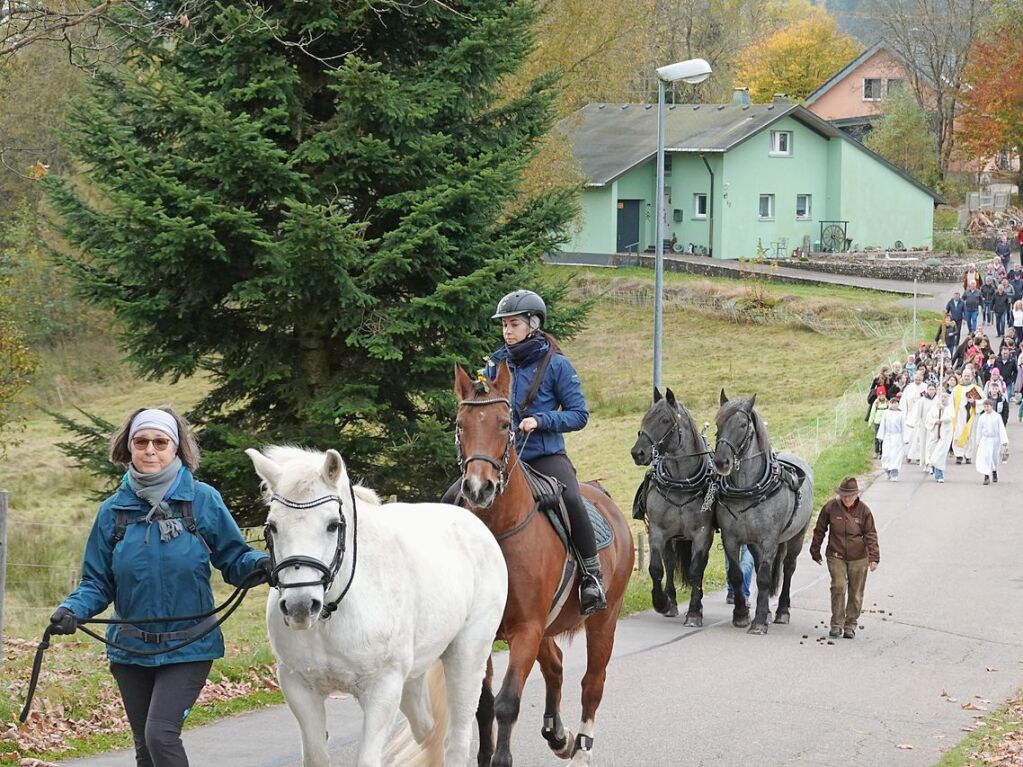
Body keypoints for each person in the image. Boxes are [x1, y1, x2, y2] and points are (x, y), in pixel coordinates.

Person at [49, 407, 272, 767]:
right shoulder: (113, 512)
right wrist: (71, 609)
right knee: (145, 749)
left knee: (160, 736)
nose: (150, 449)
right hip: (130, 649)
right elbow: (96, 582)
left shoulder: (202, 500)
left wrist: (262, 565)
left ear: (176, 448)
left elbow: (234, 559)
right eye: (141, 441)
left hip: (189, 645)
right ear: (130, 447)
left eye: (160, 441)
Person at [487, 289, 605, 613]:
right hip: (504, 461)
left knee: (571, 499)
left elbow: (579, 415)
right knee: (457, 496)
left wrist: (541, 420)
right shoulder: (495, 364)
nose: (507, 331)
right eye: (504, 326)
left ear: (533, 324)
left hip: (545, 456)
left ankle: (591, 577)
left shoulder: (558, 366)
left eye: (513, 324)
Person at [809, 477, 880, 640]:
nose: (846, 498)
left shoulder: (864, 511)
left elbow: (870, 534)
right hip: (836, 554)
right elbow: (819, 530)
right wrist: (815, 550)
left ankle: (850, 624)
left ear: (856, 495)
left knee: (855, 592)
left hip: (859, 557)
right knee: (838, 586)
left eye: (849, 496)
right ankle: (836, 623)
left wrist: (874, 557)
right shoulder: (830, 507)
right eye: (843, 495)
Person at [951, 367, 984, 464]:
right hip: (959, 415)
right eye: (965, 376)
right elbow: (951, 402)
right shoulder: (956, 389)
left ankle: (968, 455)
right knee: (958, 433)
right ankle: (959, 455)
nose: (966, 377)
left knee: (970, 435)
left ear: (972, 377)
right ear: (961, 376)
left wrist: (974, 402)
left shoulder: (976, 388)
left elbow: (983, 401)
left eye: (968, 376)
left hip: (971, 415)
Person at [974, 398, 1009, 485]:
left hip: (995, 439)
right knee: (986, 457)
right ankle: (986, 476)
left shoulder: (997, 416)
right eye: (985, 407)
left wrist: (1004, 441)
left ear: (991, 406)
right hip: (985, 439)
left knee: (994, 457)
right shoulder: (982, 417)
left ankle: (994, 472)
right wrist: (978, 441)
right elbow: (979, 429)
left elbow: (1001, 428)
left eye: (988, 406)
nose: (986, 408)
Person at [926, 391, 955, 483]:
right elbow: (928, 419)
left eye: (945, 397)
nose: (943, 399)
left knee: (940, 454)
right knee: (932, 452)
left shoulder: (950, 408)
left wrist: (943, 412)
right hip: (934, 433)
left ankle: (939, 474)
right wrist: (935, 421)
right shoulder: (934, 408)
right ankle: (933, 466)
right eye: (942, 397)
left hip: (945, 434)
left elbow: (950, 417)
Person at [878, 394, 905, 480]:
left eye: (896, 403)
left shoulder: (901, 414)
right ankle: (887, 470)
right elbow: (883, 425)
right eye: (893, 403)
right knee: (886, 454)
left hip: (897, 437)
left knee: (895, 455)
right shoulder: (886, 413)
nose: (894, 405)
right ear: (890, 404)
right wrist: (880, 436)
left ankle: (894, 473)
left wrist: (905, 438)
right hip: (888, 436)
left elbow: (904, 427)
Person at [868, 386, 889, 458]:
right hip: (877, 422)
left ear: (885, 394)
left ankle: (882, 452)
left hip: (885, 423)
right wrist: (870, 422)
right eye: (880, 395)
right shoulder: (876, 403)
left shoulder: (887, 403)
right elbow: (872, 413)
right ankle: (876, 451)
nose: (881, 396)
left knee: (883, 438)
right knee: (877, 437)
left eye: (882, 395)